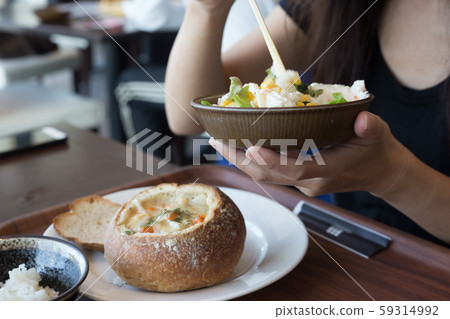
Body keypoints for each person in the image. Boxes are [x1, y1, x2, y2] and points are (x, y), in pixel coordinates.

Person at [165, 0, 450, 246]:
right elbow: (185, 116)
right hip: (347, 244)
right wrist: (206, 9)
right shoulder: (331, 6)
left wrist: (392, 176)